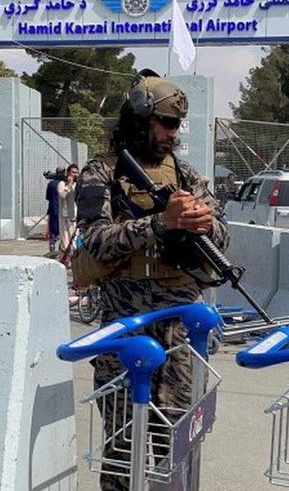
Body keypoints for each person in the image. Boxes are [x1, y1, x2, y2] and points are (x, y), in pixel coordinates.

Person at [74, 70, 228, 491]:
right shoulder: (101, 173)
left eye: (177, 125)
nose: (172, 134)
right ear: (140, 119)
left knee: (180, 440)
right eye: (166, 123)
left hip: (181, 329)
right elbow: (96, 242)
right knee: (124, 445)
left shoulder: (187, 175)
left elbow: (223, 239)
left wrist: (206, 223)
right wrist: (159, 224)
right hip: (127, 323)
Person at [56, 163, 79, 258]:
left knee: (75, 239)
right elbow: (62, 195)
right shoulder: (62, 184)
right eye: (73, 172)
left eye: (77, 172)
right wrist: (69, 185)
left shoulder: (77, 185)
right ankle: (65, 258)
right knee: (65, 239)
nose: (75, 174)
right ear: (68, 173)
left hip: (75, 216)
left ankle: (73, 258)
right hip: (65, 216)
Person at [45, 166, 64, 252]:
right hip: (63, 210)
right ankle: (62, 246)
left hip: (52, 208)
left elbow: (47, 197)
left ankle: (52, 244)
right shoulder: (64, 183)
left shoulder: (51, 184)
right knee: (63, 229)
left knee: (53, 228)